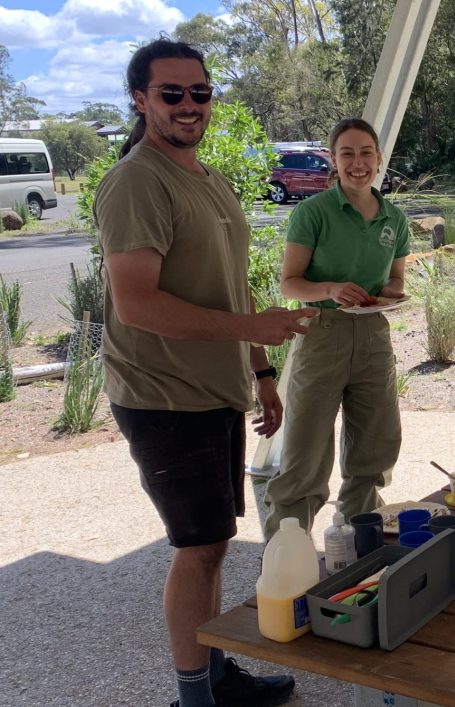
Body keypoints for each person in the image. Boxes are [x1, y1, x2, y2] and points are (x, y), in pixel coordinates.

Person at [95, 40, 313, 707]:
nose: (190, 105)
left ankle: (216, 676)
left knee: (214, 541)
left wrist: (262, 370)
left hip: (214, 391)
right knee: (196, 547)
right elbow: (137, 304)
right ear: (141, 100)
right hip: (163, 396)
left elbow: (230, 288)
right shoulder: (137, 180)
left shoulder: (208, 178)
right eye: (172, 94)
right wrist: (252, 331)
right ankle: (195, 695)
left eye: (201, 93)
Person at [263, 118, 408, 539]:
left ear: (379, 160)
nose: (358, 163)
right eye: (347, 154)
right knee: (305, 456)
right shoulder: (314, 212)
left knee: (375, 451)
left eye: (366, 153)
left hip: (373, 336)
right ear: (335, 161)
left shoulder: (393, 219)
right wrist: (330, 288)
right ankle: (285, 558)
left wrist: (389, 294)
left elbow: (397, 281)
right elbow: (289, 283)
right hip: (321, 331)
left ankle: (358, 547)